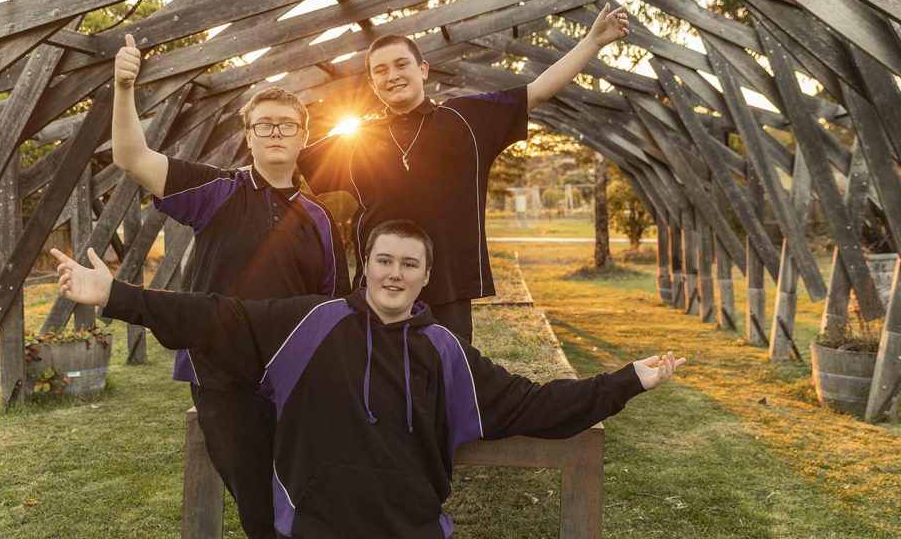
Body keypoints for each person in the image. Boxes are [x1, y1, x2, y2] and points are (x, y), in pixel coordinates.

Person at [51, 219, 685, 539]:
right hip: (314, 529)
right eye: (384, 259)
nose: (395, 273)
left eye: (409, 264)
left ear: (425, 276)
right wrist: (117, 295)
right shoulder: (310, 324)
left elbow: (538, 406)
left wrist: (629, 380)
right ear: (367, 267)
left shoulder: (447, 353)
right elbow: (217, 317)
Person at [112, 33, 350, 539]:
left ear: (304, 137)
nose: (276, 133)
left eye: (287, 125)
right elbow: (132, 156)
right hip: (224, 375)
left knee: (309, 495)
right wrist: (123, 85)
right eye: (264, 124)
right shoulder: (215, 191)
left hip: (295, 374)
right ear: (249, 135)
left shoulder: (319, 219)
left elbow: (333, 308)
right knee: (260, 510)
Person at [297, 3, 630, 340]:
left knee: (446, 381)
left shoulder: (466, 119)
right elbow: (289, 161)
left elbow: (539, 90)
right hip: (379, 288)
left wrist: (593, 41)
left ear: (423, 69)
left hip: (449, 287)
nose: (392, 75)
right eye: (380, 70)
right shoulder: (356, 139)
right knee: (377, 384)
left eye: (401, 64)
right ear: (372, 84)